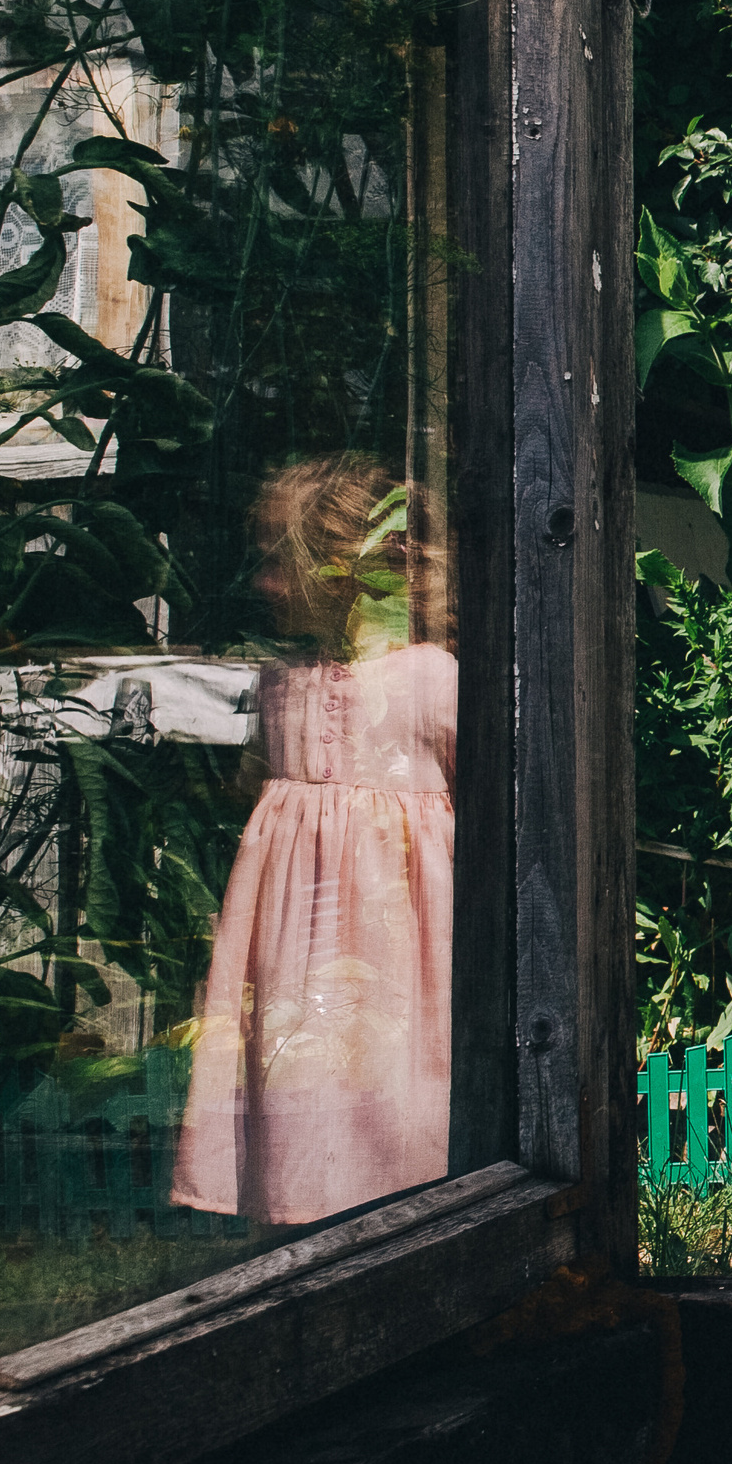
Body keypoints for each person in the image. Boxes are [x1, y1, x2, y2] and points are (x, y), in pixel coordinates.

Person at [171, 455, 457, 1224]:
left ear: (340, 572)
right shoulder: (282, 685)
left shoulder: (432, 679)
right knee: (306, 1086)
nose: (265, 582)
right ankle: (310, 1213)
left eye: (279, 560)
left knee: (394, 1089)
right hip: (298, 957)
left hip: (398, 957)